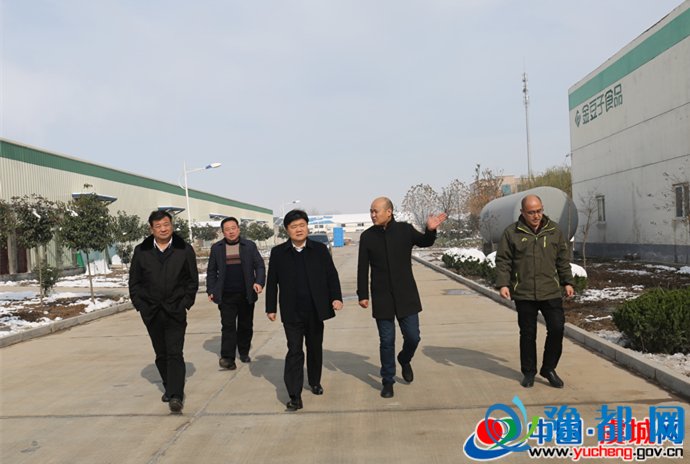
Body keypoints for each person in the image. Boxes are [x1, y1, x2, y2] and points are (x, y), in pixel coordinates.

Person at [357, 197, 447, 398]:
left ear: (389, 212)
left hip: (406, 295)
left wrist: (430, 230)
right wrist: (363, 294)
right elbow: (362, 267)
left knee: (413, 336)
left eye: (376, 211)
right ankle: (388, 381)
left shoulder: (405, 230)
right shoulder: (367, 236)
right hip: (382, 297)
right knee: (386, 341)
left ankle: (404, 359)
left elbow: (425, 242)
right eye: (371, 211)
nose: (372, 215)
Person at [265, 209, 343, 411]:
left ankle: (315, 381)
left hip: (316, 310)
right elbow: (272, 282)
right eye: (294, 227)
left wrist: (336, 297)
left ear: (307, 227)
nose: (298, 230)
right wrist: (271, 308)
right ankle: (294, 395)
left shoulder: (319, 250)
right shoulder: (279, 253)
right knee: (294, 350)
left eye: (302, 225)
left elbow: (331, 275)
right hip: (292, 311)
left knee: (314, 347)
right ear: (287, 230)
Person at [494, 194, 575, 389]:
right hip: (524, 292)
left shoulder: (554, 230)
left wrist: (567, 281)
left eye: (539, 211)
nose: (536, 216)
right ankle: (529, 372)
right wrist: (503, 284)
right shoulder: (512, 233)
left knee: (557, 328)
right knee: (528, 334)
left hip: (550, 290)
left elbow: (562, 259)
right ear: (522, 212)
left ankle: (549, 368)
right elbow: (503, 260)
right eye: (531, 212)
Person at [129, 210, 199, 413]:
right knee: (161, 353)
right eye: (158, 226)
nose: (163, 229)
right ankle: (169, 386)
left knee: (175, 352)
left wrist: (186, 302)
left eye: (166, 224)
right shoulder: (141, 251)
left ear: (172, 226)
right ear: (151, 229)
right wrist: (140, 305)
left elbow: (192, 280)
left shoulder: (184, 249)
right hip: (151, 311)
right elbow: (134, 281)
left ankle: (176, 395)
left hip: (175, 309)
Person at [207, 217, 266, 370]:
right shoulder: (217, 248)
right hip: (226, 294)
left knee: (245, 325)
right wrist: (211, 290)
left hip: (246, 293)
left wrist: (259, 282)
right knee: (228, 326)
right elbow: (211, 271)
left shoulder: (249, 246)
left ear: (238, 229)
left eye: (233, 228)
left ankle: (244, 351)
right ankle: (227, 358)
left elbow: (259, 266)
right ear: (223, 232)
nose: (231, 232)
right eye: (227, 229)